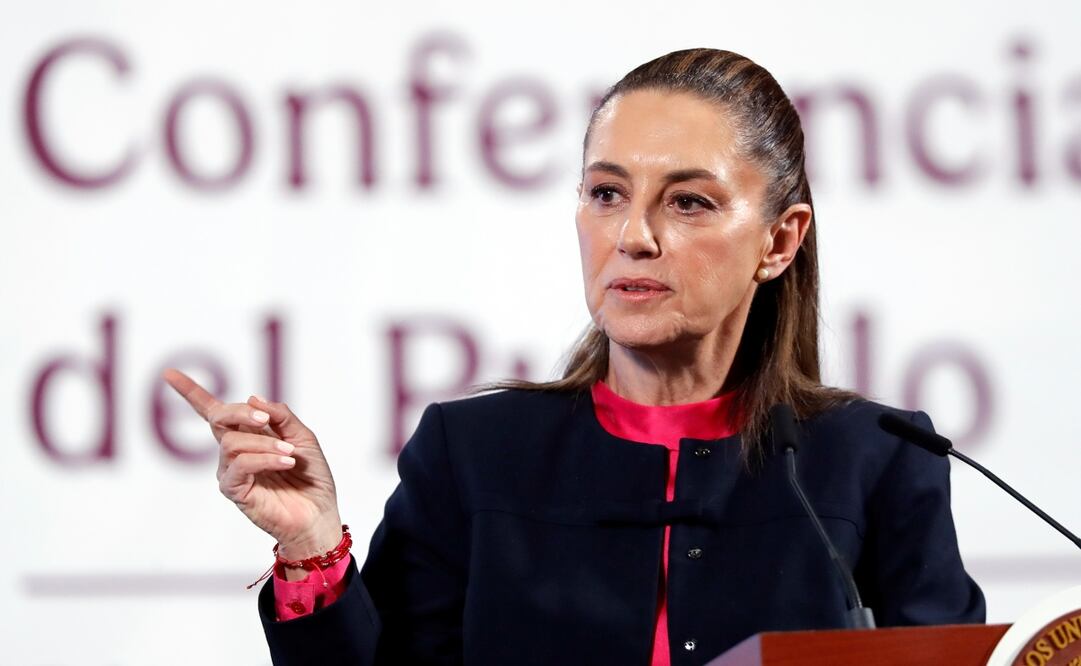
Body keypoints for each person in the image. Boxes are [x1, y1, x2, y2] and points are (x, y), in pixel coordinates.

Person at [164, 48, 985, 665]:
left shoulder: (875, 458)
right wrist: (310, 542)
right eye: (605, 193)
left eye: (688, 202)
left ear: (778, 240)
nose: (633, 236)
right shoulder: (474, 455)